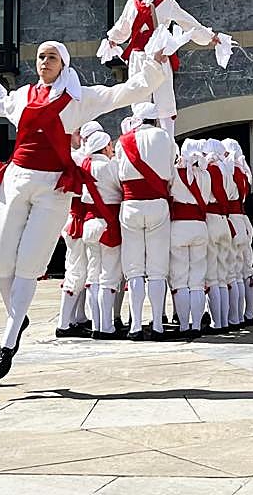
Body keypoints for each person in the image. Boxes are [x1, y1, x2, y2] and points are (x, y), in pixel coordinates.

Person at [0, 39, 166, 378]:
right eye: (41, 56)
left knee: (29, 262)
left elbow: (122, 93)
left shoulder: (79, 98)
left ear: (63, 63)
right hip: (16, 179)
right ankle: (18, 314)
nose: (45, 61)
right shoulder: (24, 95)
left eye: (52, 57)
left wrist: (154, 67)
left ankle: (9, 339)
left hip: (53, 186)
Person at [101, 0, 222, 141]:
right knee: (138, 96)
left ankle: (168, 141)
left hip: (159, 57)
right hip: (137, 57)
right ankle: (139, 139)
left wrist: (208, 36)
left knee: (164, 98)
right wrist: (112, 39)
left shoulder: (165, 1)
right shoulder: (131, 3)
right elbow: (123, 26)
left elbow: (186, 20)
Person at [115, 103, 175, 341]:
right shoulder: (165, 137)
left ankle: (135, 326)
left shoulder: (123, 141)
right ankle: (159, 325)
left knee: (134, 270)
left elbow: (118, 170)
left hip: (130, 204)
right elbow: (171, 172)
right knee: (158, 271)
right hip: (157, 203)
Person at [76, 125, 125, 339]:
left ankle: (96, 324)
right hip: (107, 222)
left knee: (93, 277)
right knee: (109, 277)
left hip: (89, 224)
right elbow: (122, 189)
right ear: (105, 147)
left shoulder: (84, 164)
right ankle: (107, 326)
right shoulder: (111, 166)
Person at [57, 126, 102, 338]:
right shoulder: (78, 157)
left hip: (79, 219)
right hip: (76, 219)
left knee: (81, 271)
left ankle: (78, 317)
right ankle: (64, 323)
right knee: (76, 271)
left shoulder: (81, 157)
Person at [169, 140, 210, 339]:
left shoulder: (175, 173)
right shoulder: (206, 174)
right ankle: (196, 324)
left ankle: (184, 325)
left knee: (180, 278)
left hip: (179, 226)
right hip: (200, 226)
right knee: (197, 280)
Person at [201, 138, 235, 333]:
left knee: (213, 277)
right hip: (224, 219)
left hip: (213, 217)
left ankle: (218, 322)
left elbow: (216, 193)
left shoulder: (213, 169)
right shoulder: (227, 168)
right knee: (223, 276)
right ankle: (225, 320)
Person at [222, 138, 253, 325]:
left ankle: (233, 317)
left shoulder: (229, 170)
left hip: (231, 220)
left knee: (232, 273)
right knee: (247, 271)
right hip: (243, 220)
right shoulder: (243, 170)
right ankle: (249, 314)